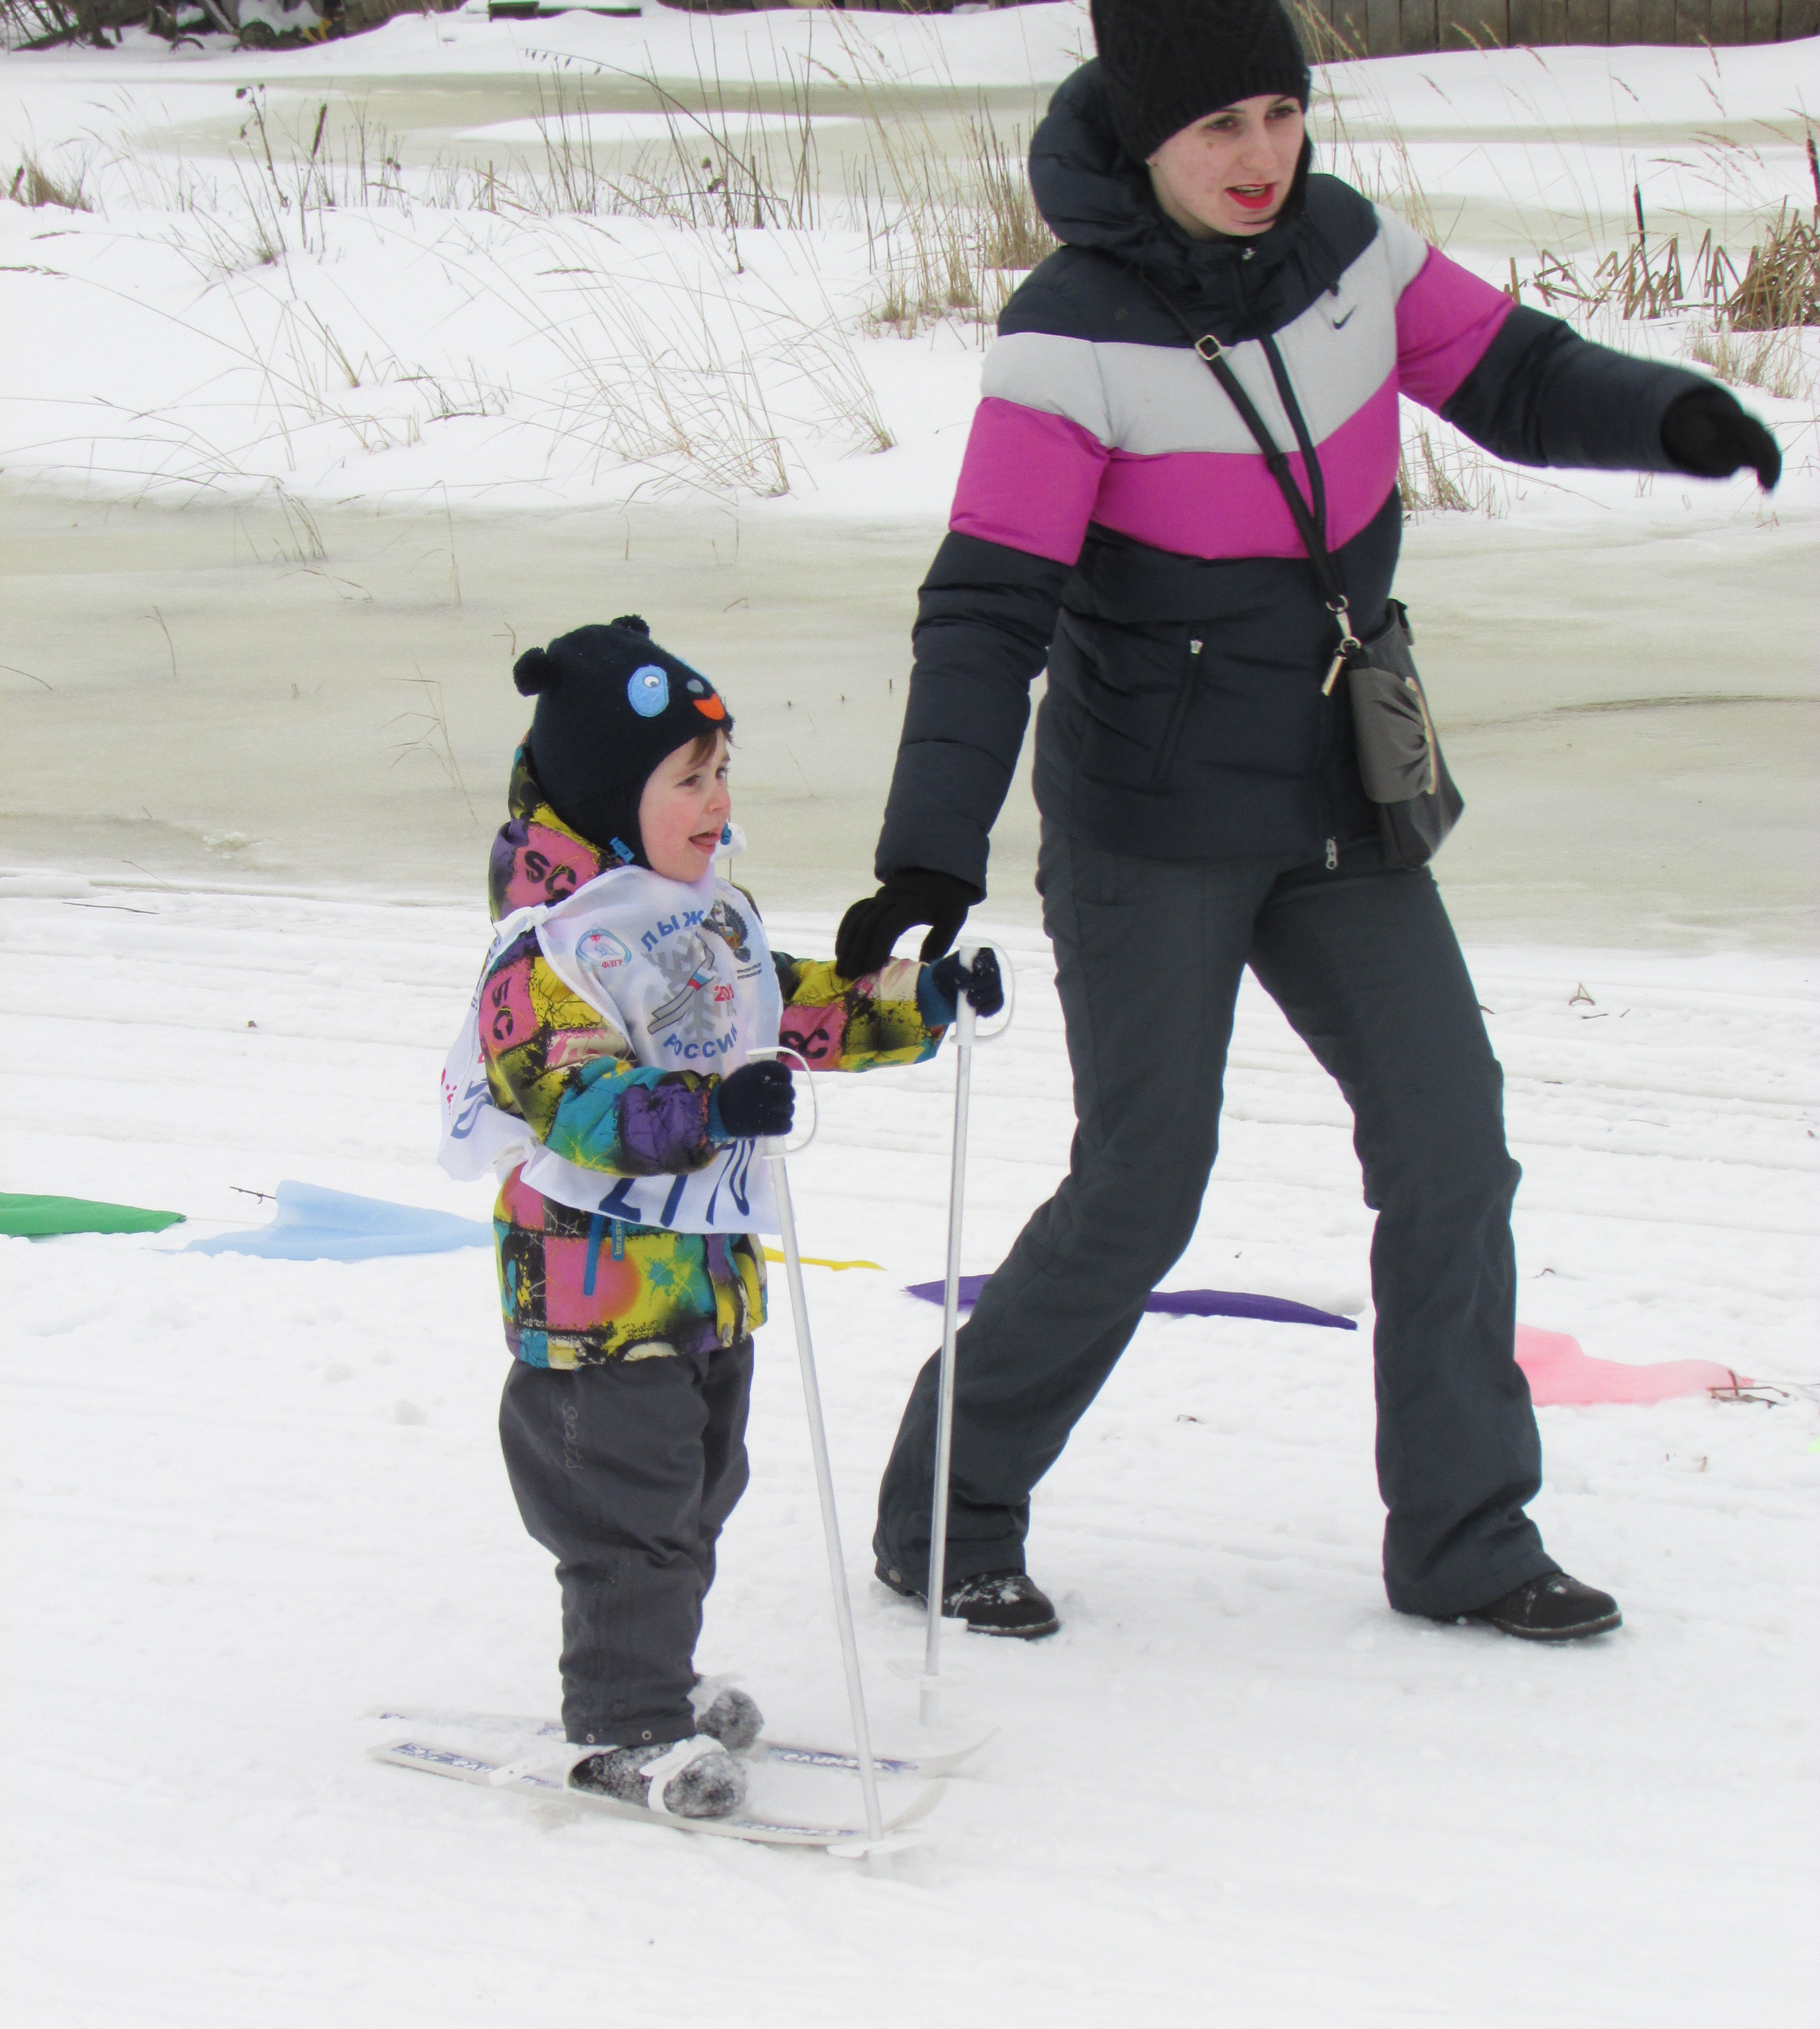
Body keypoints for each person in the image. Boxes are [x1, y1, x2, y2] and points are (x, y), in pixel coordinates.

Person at [834, 0, 1781, 1646]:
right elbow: (987, 606)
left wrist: (1668, 417)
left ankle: (1468, 1540)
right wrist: (932, 845)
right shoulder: (1069, 335)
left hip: (1336, 791)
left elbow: (1515, 372)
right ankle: (952, 1507)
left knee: (1451, 1143)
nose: (1262, 154)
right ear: (1148, 136)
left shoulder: (1347, 248)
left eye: (1280, 111)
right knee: (1145, 1186)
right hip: (1150, 821)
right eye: (1220, 127)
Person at [438, 616, 1002, 1818]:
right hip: (593, 1296)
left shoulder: (696, 920)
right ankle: (623, 1723)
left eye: (722, 771)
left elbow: (791, 1012)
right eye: (688, 779)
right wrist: (707, 1107)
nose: (718, 802)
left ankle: (659, 1678)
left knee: (699, 1487)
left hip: (705, 1284)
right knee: (624, 1510)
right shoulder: (549, 954)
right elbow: (571, 1096)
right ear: (611, 795)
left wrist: (924, 1001)